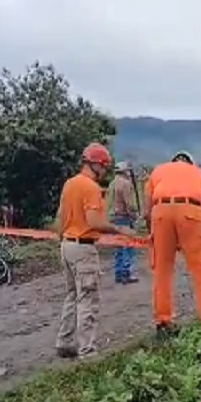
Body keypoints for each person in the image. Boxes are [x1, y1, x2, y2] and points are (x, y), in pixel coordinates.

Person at [54, 143, 135, 359]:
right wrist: (118, 229)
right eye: (104, 168)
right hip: (83, 248)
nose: (105, 172)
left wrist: (62, 238)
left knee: (72, 295)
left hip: (67, 244)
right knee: (88, 299)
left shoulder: (69, 184)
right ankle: (87, 351)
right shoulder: (90, 187)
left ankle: (64, 341)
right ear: (97, 165)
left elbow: (60, 217)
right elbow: (94, 221)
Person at [144, 150, 201, 339]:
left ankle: (163, 322)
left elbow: (147, 211)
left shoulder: (159, 170)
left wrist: (155, 233)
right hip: (190, 211)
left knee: (161, 272)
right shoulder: (197, 172)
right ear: (190, 163)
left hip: (160, 212)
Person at [109, 161, 139, 284]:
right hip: (124, 217)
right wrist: (134, 215)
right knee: (128, 246)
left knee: (118, 247)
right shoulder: (126, 184)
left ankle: (118, 273)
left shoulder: (112, 184)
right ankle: (126, 273)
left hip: (114, 218)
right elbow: (130, 204)